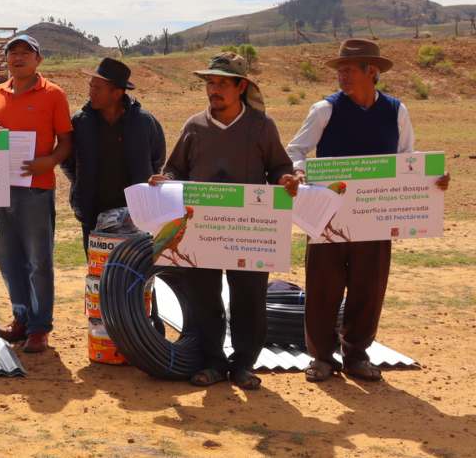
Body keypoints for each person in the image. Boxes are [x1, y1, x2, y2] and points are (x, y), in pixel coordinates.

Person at [286, 39, 450, 383]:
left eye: (349, 70)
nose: (342, 76)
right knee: (323, 286)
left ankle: (356, 355)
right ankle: (321, 358)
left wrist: (432, 180)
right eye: (340, 70)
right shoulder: (324, 109)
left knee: (368, 286)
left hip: (377, 217)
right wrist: (299, 171)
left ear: (371, 72)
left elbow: (408, 159)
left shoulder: (396, 111)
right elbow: (296, 149)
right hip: (328, 216)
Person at [150, 52, 299, 389]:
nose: (213, 90)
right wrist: (164, 179)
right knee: (203, 296)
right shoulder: (195, 126)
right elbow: (177, 169)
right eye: (210, 83)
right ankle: (213, 362)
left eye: (221, 83)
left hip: (247, 229)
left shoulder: (261, 126)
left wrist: (285, 179)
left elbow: (278, 166)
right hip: (201, 229)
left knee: (249, 296)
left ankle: (244, 364)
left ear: (241, 86)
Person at [0, 34, 72, 353]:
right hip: (0, 187)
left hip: (36, 189)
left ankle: (39, 327)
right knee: (6, 256)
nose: (18, 57)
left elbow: (65, 142)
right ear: (6, 59)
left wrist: (47, 162)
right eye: (12, 53)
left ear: (38, 60)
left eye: (26, 52)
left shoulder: (53, 95)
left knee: (38, 259)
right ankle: (20, 318)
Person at [61, 57, 165, 253]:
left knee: (134, 271)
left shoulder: (144, 122)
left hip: (135, 215)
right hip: (93, 212)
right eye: (91, 86)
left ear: (117, 93)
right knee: (99, 274)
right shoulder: (80, 122)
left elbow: (157, 159)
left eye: (97, 88)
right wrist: (81, 183)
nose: (91, 92)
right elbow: (67, 160)